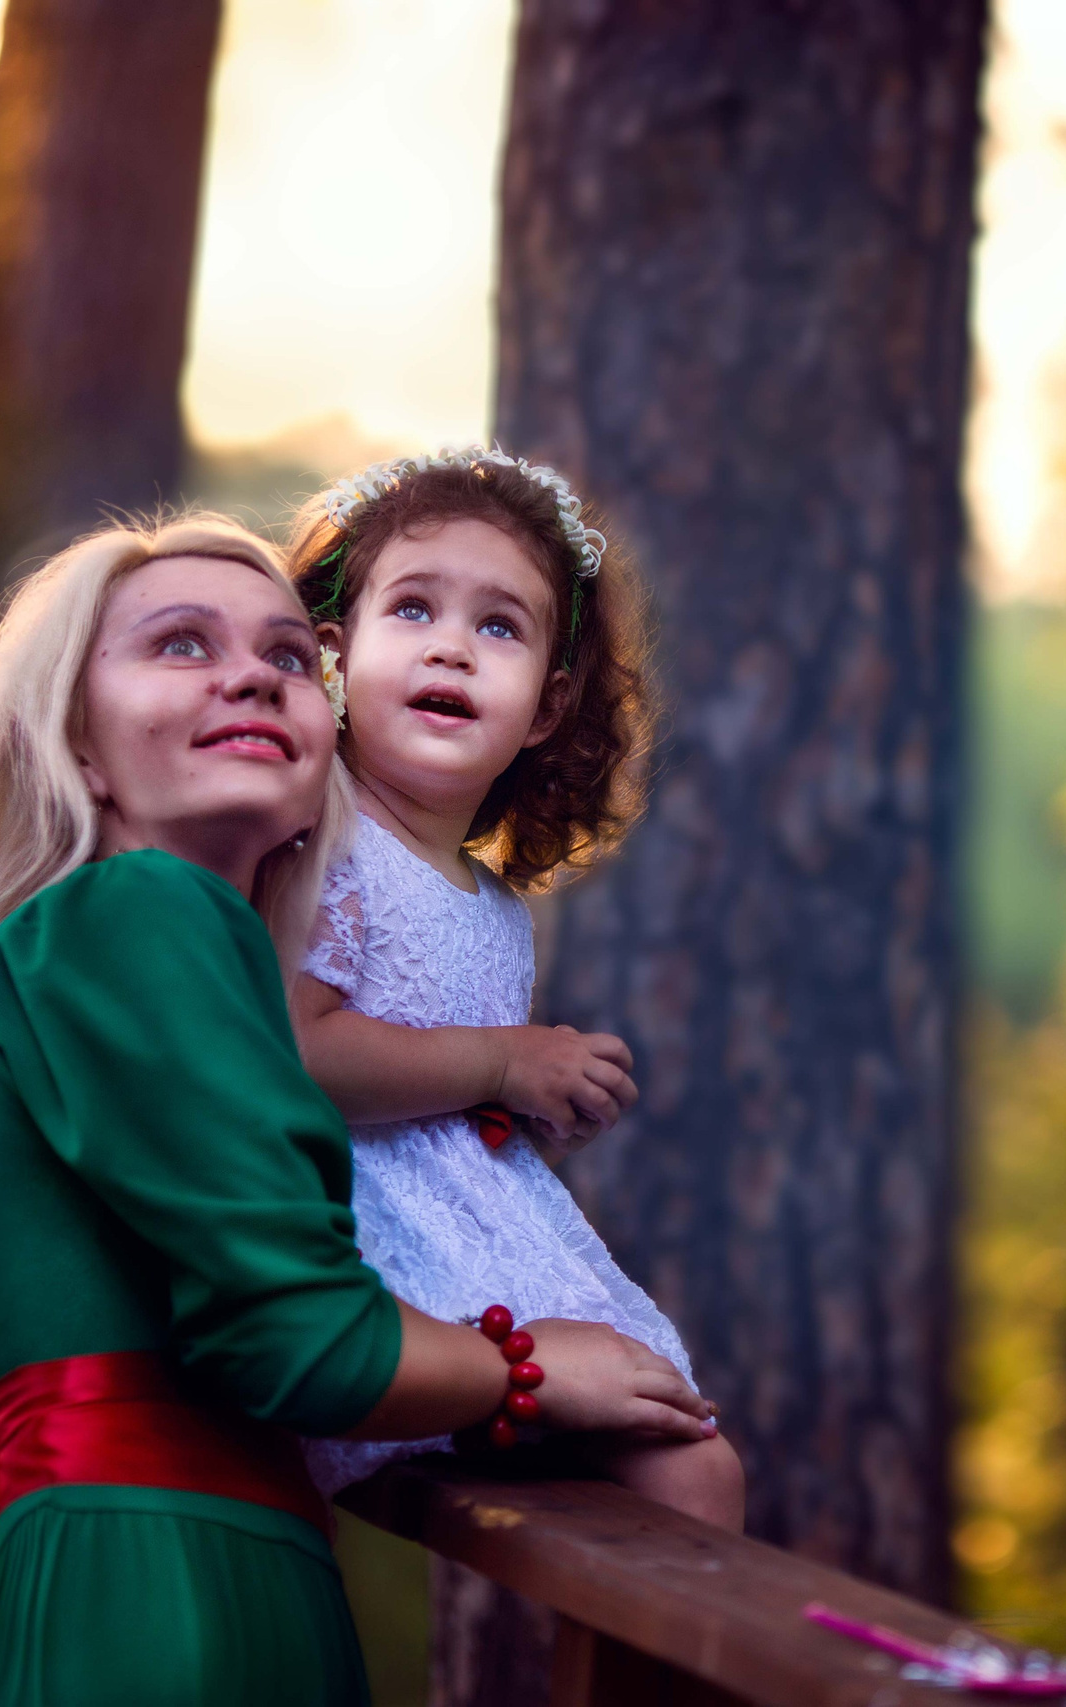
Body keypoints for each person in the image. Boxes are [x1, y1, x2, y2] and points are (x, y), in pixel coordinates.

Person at [0, 516, 715, 1705]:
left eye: (289, 658)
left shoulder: (168, 958)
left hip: (225, 1586)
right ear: (80, 747)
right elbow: (294, 1336)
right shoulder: (133, 912)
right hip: (158, 1616)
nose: (250, 672)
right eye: (179, 646)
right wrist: (527, 1368)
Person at [285, 449, 743, 1527]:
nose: (452, 643)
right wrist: (501, 1060)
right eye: (413, 608)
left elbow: (431, 1091)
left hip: (479, 1239)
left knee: (695, 1469)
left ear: (546, 706)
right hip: (374, 1267)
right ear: (334, 657)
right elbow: (295, 1054)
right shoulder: (324, 842)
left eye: (500, 627)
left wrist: (517, 1109)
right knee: (683, 1471)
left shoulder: (494, 906)